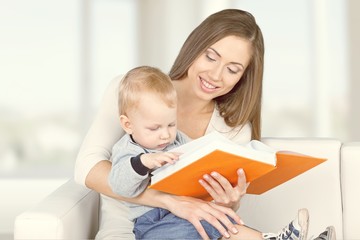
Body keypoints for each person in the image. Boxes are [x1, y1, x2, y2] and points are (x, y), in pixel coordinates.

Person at [74, 8, 336, 240]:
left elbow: (210, 214)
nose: (215, 75)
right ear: (194, 48)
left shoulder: (232, 128)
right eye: (210, 57)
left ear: (243, 77)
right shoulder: (133, 91)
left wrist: (229, 202)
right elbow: (87, 168)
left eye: (232, 69)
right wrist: (170, 202)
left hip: (188, 229)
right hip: (126, 228)